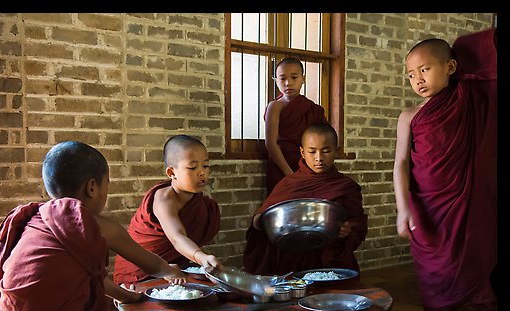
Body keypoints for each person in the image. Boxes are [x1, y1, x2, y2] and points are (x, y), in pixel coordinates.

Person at [0, 141, 187, 311]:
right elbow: (153, 266)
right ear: (92, 187)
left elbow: (91, 276)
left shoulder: (37, 221)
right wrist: (172, 272)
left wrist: (128, 297)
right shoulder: (94, 224)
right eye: (106, 185)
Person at [393, 28, 497, 311]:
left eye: (425, 69)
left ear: (451, 67)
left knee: (458, 267)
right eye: (411, 74)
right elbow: (401, 164)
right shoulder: (409, 116)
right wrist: (402, 208)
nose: (417, 79)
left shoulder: (467, 99)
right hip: (425, 206)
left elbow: (483, 55)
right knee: (431, 273)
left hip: (461, 201)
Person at [243, 122, 368, 276]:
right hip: (289, 259)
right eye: (312, 151)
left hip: (328, 260)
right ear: (302, 153)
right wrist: (261, 220)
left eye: (326, 151)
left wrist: (347, 230)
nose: (319, 158)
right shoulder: (290, 183)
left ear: (337, 151)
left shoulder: (345, 186)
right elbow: (261, 218)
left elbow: (358, 223)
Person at [114, 134, 221, 287]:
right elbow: (177, 237)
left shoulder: (199, 202)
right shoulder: (164, 199)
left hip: (175, 269)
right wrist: (201, 257)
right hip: (140, 268)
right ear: (172, 173)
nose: (201, 172)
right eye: (193, 167)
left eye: (205, 166)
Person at [264, 57, 328, 194]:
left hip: (309, 166)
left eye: (294, 77)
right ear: (276, 81)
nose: (288, 83)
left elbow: (324, 139)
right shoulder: (275, 106)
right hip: (282, 167)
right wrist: (290, 175)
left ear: (303, 79)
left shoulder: (312, 109)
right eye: (282, 79)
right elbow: (271, 144)